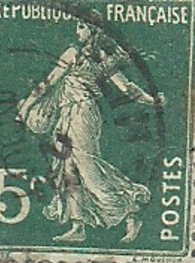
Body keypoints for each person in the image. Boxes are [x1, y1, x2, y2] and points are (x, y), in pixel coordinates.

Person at [17, 20, 162, 244]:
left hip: (83, 115)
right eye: (77, 27)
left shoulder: (87, 56)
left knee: (88, 170)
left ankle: (132, 208)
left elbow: (126, 87)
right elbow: (50, 82)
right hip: (67, 114)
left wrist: (152, 101)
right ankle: (78, 226)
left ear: (95, 32)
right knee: (68, 169)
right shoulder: (88, 55)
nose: (78, 32)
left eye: (82, 27)